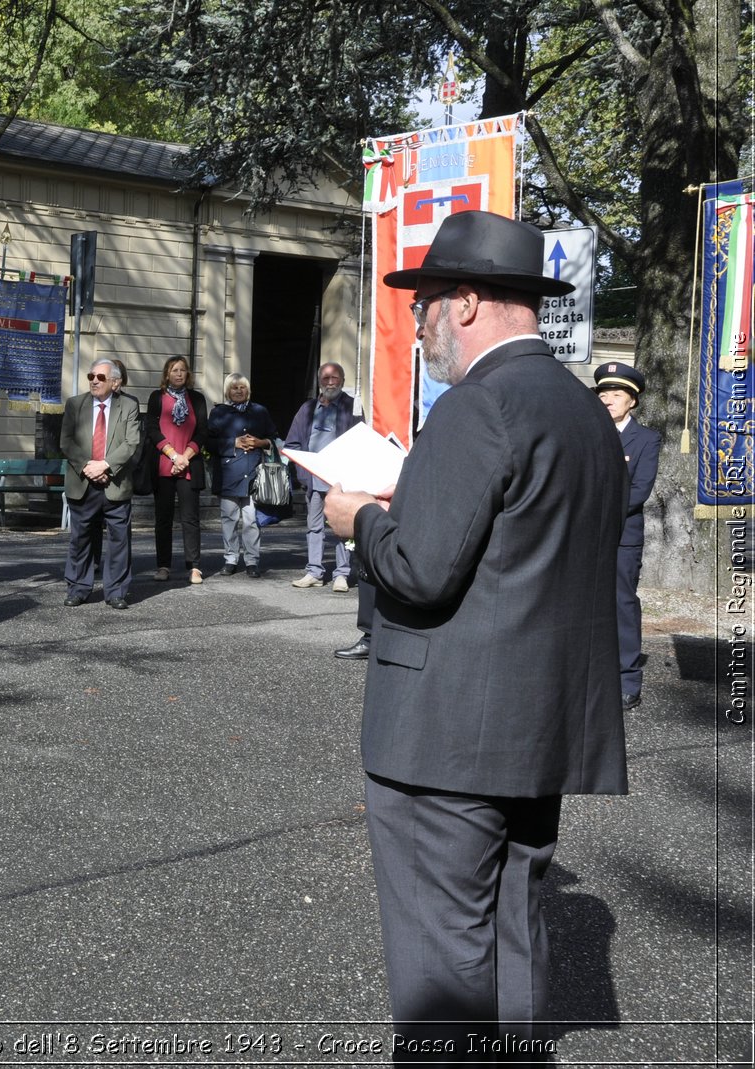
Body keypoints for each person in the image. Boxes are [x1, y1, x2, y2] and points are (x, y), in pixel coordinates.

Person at [325, 209, 628, 1056]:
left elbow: (422, 569)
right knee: (516, 935)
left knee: (442, 961)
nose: (419, 331)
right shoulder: (584, 414)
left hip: (446, 736)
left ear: (462, 301)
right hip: (539, 728)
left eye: (421, 309)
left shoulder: (477, 405)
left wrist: (358, 520)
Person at [594, 362, 660, 710]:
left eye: (616, 395)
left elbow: (639, 491)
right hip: (582, 535)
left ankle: (627, 679)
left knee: (620, 605)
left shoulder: (646, 439)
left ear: (632, 401)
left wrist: (595, 513)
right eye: (603, 394)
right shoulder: (586, 432)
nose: (608, 400)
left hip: (621, 536)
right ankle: (589, 676)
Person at [61, 358, 141, 608]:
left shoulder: (128, 405)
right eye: (91, 376)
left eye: (101, 377)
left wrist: (104, 465)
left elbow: (131, 443)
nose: (95, 381)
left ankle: (115, 591)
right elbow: (66, 441)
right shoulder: (75, 404)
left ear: (115, 382)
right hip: (83, 481)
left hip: (115, 483)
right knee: (81, 538)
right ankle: (78, 588)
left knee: (119, 540)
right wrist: (88, 466)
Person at [285, 361, 360, 591]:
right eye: (326, 378)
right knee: (314, 527)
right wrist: (303, 474)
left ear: (342, 381)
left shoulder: (352, 406)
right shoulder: (307, 409)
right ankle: (314, 572)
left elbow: (361, 440)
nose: (330, 382)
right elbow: (293, 443)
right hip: (314, 479)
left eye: (334, 378)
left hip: (341, 480)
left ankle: (342, 574)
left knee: (342, 528)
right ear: (319, 381)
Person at [141, 355, 208, 584]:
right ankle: (163, 565)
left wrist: (185, 456)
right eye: (174, 370)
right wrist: (172, 455)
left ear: (187, 374)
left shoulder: (197, 399)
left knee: (190, 518)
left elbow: (202, 431)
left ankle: (194, 566)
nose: (179, 374)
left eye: (182, 370)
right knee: (163, 519)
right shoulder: (156, 397)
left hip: (189, 465)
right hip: (163, 466)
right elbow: (151, 428)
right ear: (166, 374)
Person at [207, 373, 276, 579]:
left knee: (251, 520)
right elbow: (208, 443)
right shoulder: (219, 412)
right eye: (234, 387)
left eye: (242, 387)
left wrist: (261, 442)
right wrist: (233, 443)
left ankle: (252, 560)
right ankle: (230, 558)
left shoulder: (260, 411)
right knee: (229, 518)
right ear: (228, 391)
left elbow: (273, 437)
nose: (238, 391)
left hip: (254, 474)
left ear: (248, 390)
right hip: (228, 473)